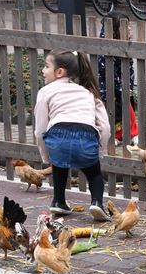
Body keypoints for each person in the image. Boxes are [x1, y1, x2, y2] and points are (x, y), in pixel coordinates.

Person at [34, 49, 110, 221]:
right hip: (86, 136)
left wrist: (47, 156)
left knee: (59, 165)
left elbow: (40, 130)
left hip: (57, 136)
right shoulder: (88, 93)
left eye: (46, 66)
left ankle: (58, 201)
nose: (43, 70)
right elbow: (105, 127)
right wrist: (99, 152)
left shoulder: (45, 91)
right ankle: (97, 203)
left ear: (59, 72)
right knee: (94, 173)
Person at [97, 12, 137, 146]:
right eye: (126, 26)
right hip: (107, 87)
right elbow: (106, 72)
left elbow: (130, 66)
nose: (129, 29)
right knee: (109, 111)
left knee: (128, 108)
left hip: (122, 86)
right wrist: (119, 89)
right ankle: (113, 135)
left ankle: (131, 133)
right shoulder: (104, 49)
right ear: (114, 31)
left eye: (129, 26)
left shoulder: (125, 45)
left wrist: (128, 85)